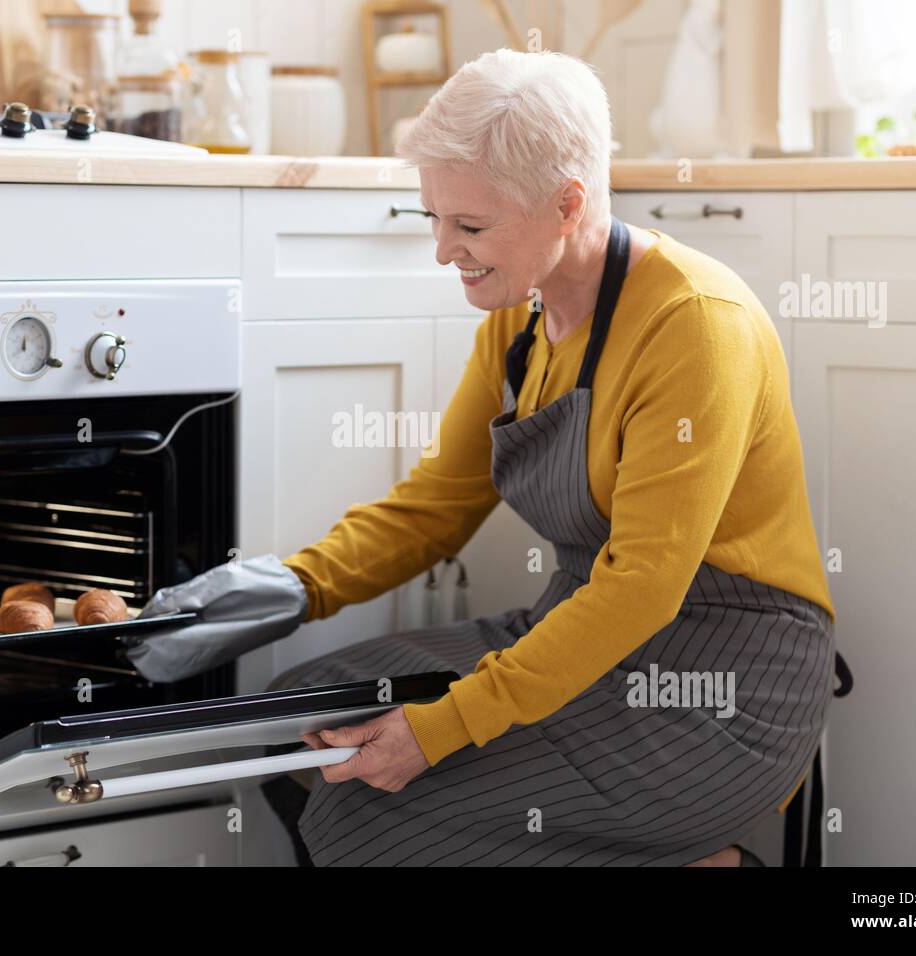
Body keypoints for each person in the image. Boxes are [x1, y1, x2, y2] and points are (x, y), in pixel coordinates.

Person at [159, 48, 835, 867]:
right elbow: (434, 509)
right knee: (288, 726)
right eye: (432, 219)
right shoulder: (518, 324)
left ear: (567, 204)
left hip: (724, 688)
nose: (444, 251)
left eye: (470, 226)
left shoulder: (695, 325)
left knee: (361, 821)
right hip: (578, 630)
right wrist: (289, 587)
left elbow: (641, 588)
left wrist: (440, 728)